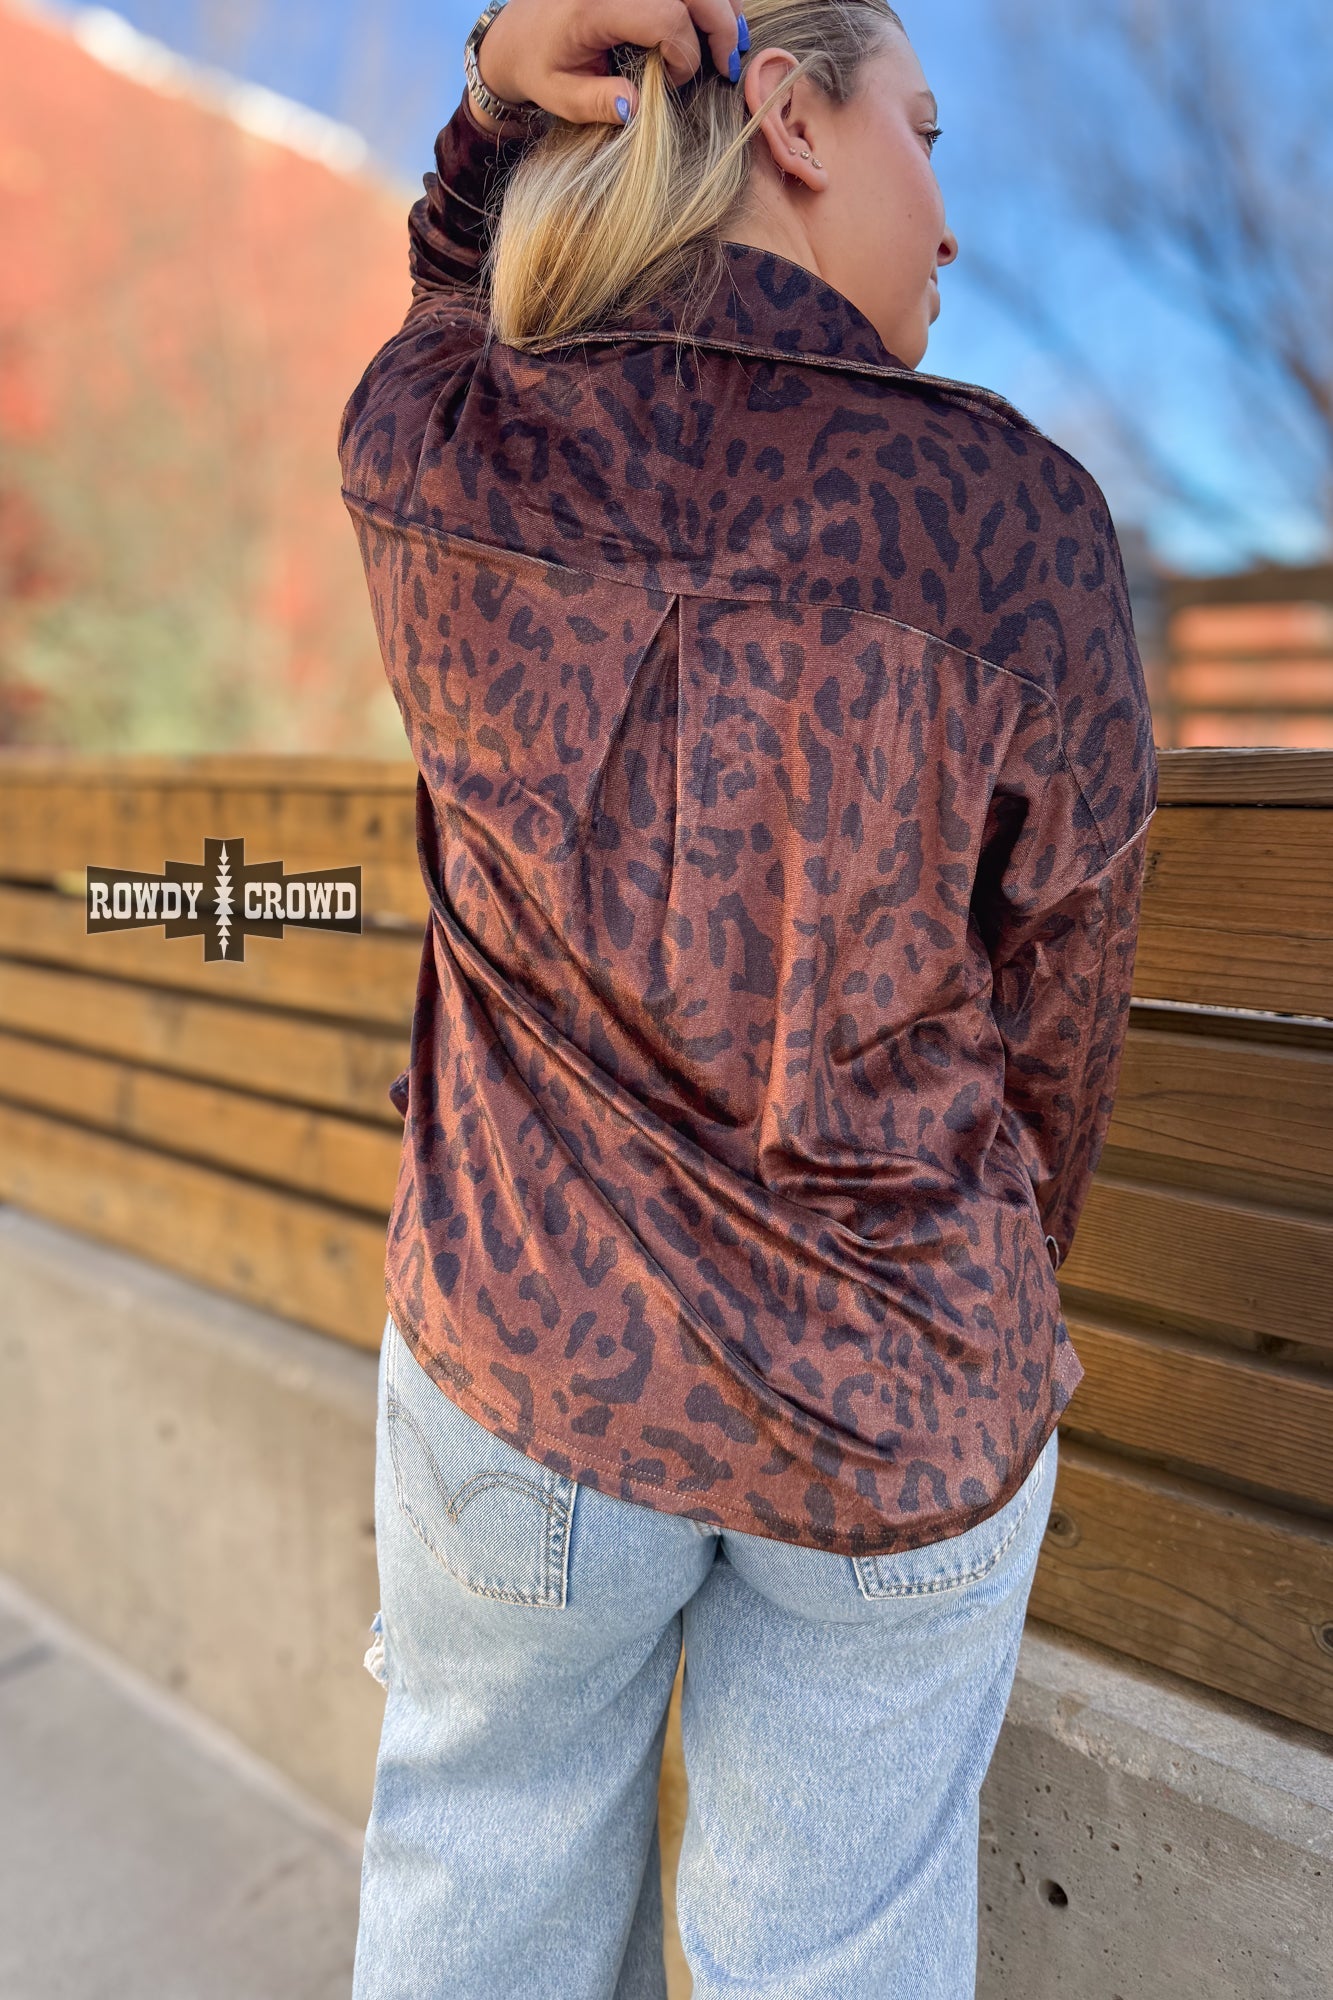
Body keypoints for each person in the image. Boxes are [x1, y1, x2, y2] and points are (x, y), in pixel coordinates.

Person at [340, 3, 1157, 1994]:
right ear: (789, 113)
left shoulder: (448, 440)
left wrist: (493, 95)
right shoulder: (1015, 525)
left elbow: (454, 297)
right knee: (834, 1960)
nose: (947, 219)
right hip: (889, 1404)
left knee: (479, 1893)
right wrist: (964, 1293)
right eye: (925, 136)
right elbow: (1056, 1034)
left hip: (528, 1360)